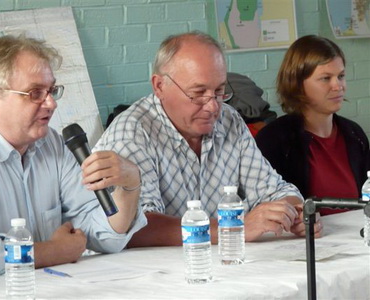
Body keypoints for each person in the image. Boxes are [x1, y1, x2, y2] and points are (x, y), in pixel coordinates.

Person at [0, 35, 146, 280]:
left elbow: (104, 237)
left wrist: (130, 184)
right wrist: (55, 251)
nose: (51, 103)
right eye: (34, 93)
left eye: (51, 91)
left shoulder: (51, 144)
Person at [93, 31, 323, 248]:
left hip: (219, 263)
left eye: (219, 91)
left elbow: (272, 190)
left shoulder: (229, 119)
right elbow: (137, 228)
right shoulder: (132, 132)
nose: (213, 106)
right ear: (159, 86)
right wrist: (235, 228)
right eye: (197, 93)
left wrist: (295, 211)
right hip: (150, 276)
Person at [256, 35, 370, 216]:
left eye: (341, 76)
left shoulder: (354, 134)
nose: (337, 86)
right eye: (326, 78)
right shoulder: (274, 140)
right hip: (303, 241)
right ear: (298, 84)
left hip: (355, 238)